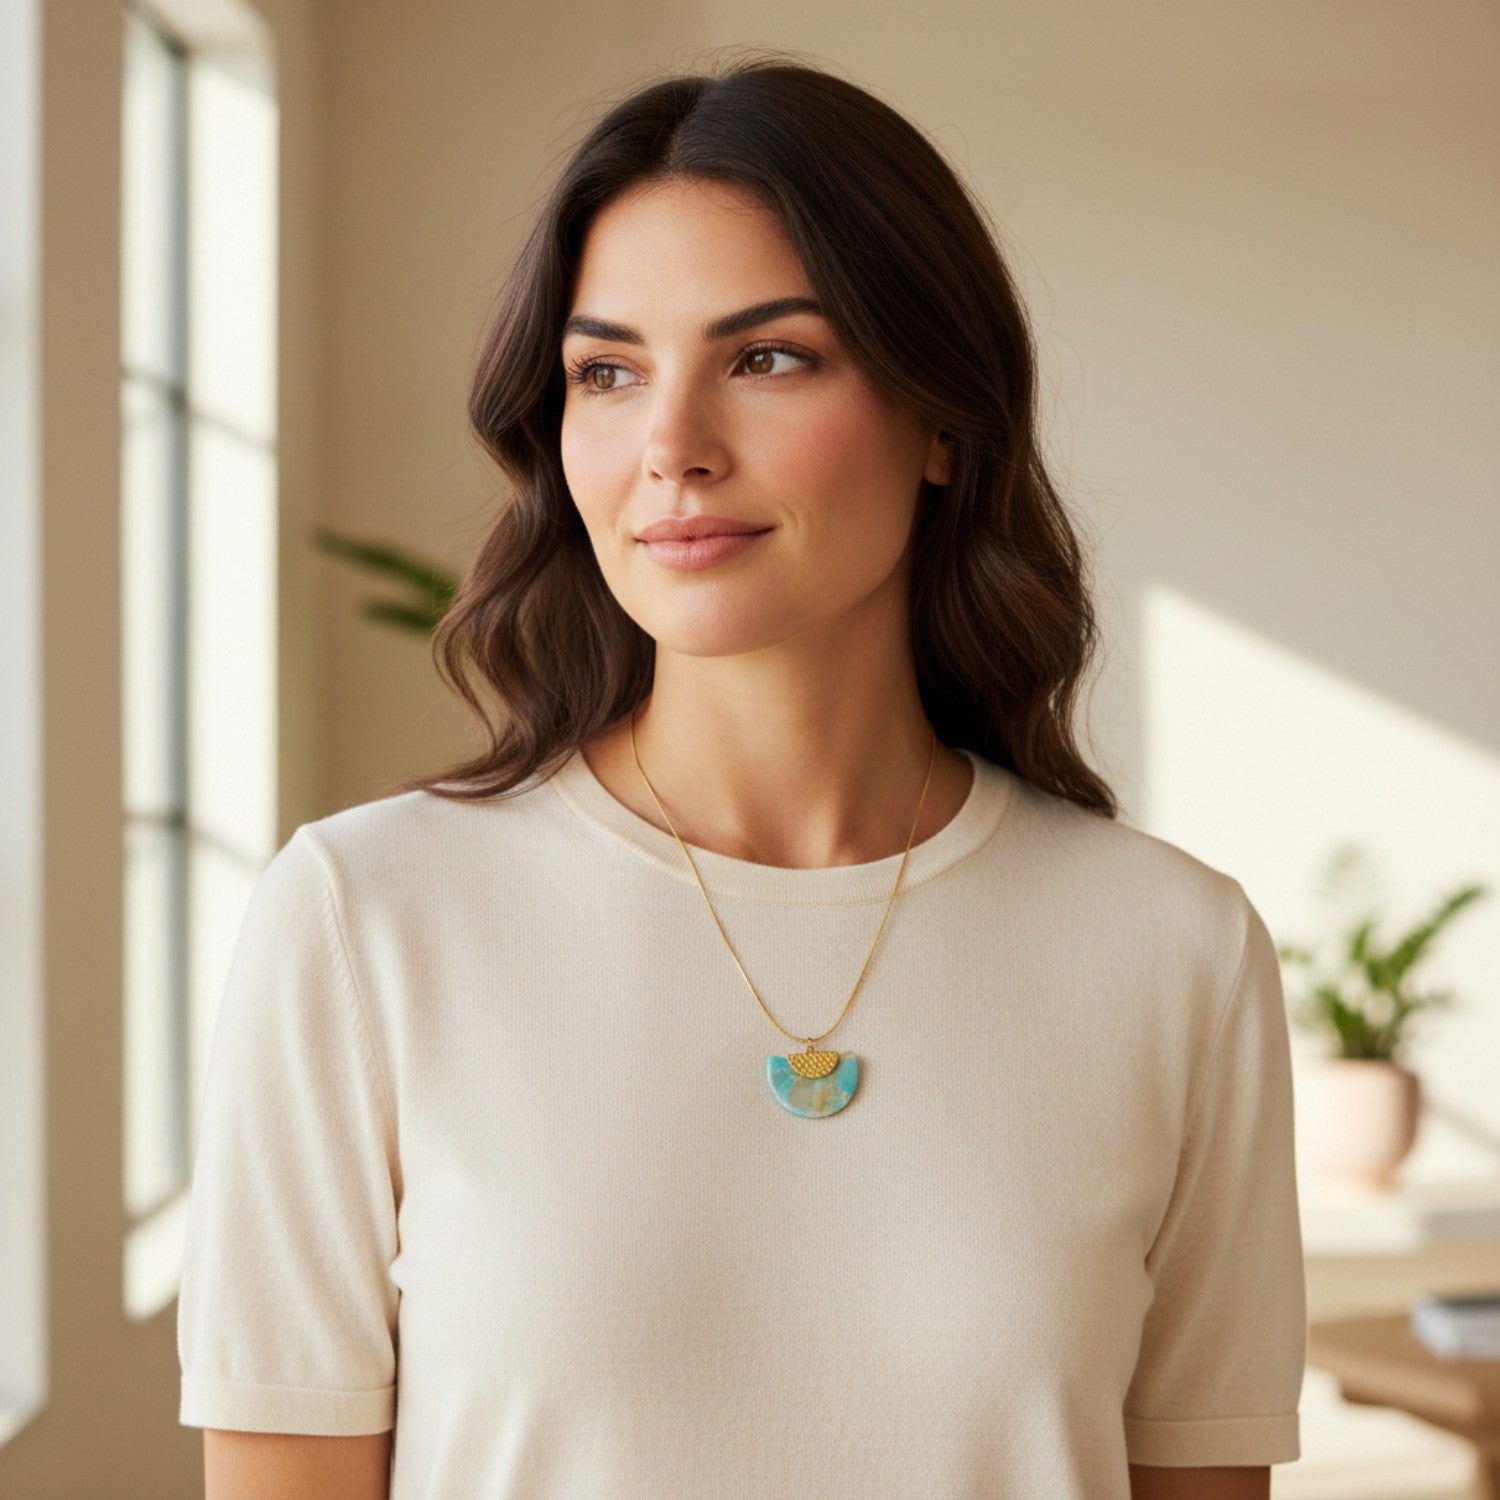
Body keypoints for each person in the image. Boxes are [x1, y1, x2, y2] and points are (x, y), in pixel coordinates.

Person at [176, 49, 1306, 1500]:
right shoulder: (364, 920)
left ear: (944, 419)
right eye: (607, 372)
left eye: (768, 359)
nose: (673, 449)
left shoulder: (1173, 952)